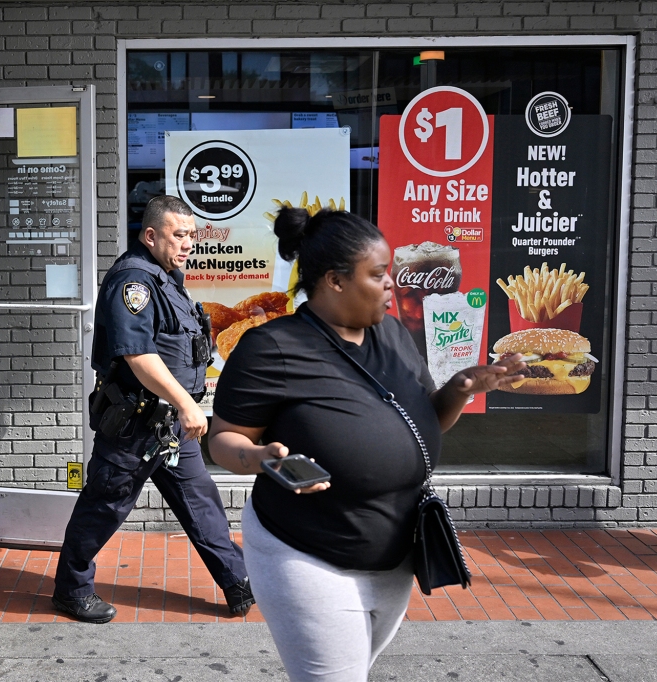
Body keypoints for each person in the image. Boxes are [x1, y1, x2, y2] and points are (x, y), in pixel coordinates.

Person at [207, 208, 526, 682]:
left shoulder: (394, 334)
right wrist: (258, 458)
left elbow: (421, 427)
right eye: (378, 275)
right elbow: (221, 441)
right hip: (306, 552)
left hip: (394, 554)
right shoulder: (270, 347)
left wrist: (460, 388)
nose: (391, 285)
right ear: (335, 281)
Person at [52, 195, 253, 623]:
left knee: (201, 502)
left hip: (171, 427)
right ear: (151, 235)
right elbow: (137, 354)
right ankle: (71, 590)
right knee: (104, 506)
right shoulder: (134, 282)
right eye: (179, 235)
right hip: (136, 424)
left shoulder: (168, 278)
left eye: (192, 235)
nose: (188, 244)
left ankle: (238, 582)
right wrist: (185, 403)